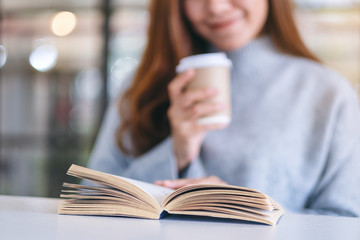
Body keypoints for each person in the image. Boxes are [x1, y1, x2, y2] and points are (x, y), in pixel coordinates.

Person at [87, 0, 360, 217]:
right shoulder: (141, 85)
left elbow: (347, 221)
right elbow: (92, 197)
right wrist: (177, 154)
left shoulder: (327, 93)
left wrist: (241, 208)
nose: (215, 6)